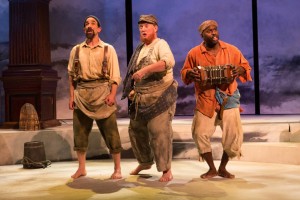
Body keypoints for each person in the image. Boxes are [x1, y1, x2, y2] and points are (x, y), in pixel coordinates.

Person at [180, 20, 252, 179]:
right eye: (209, 31)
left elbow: (245, 67)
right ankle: (211, 168)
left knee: (233, 135)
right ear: (202, 35)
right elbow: (185, 72)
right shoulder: (194, 53)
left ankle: (223, 168)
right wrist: (191, 74)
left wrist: (236, 70)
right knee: (199, 133)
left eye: (215, 30)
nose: (213, 33)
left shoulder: (231, 50)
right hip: (206, 99)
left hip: (228, 97)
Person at [122, 14, 178, 182]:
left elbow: (168, 62)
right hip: (142, 96)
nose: (143, 29)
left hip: (160, 95)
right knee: (136, 130)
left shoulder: (161, 44)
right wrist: (134, 89)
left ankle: (166, 169)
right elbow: (134, 73)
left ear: (155, 28)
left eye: (146, 25)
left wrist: (145, 70)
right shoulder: (140, 49)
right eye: (140, 26)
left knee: (159, 132)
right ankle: (145, 162)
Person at [68, 15, 123, 179]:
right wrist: (72, 97)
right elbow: (71, 76)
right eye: (86, 24)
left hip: (102, 93)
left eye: (93, 23)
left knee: (111, 132)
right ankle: (82, 168)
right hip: (82, 94)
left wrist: (112, 94)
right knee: (80, 132)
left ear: (99, 29)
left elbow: (115, 75)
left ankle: (118, 168)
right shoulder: (76, 50)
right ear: (84, 29)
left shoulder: (108, 49)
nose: (89, 26)